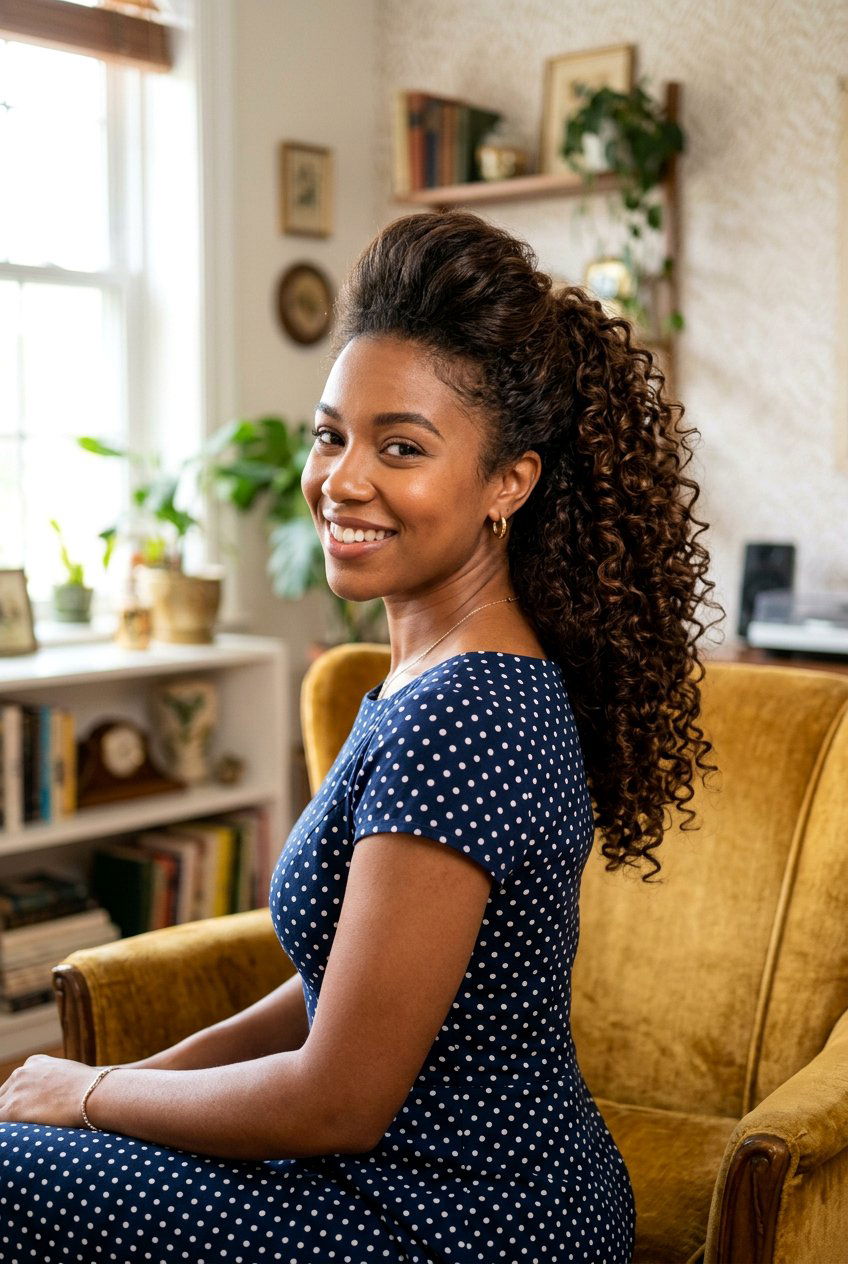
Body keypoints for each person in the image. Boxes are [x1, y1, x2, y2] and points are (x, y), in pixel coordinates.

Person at [0, 209, 723, 1263]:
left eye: (402, 447)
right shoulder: (427, 677)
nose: (341, 478)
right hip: (426, 1189)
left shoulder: (465, 714)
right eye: (330, 433)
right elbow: (334, 983)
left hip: (456, 1225)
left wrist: (95, 1093)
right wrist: (134, 1080)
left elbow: (335, 1101)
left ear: (507, 483)